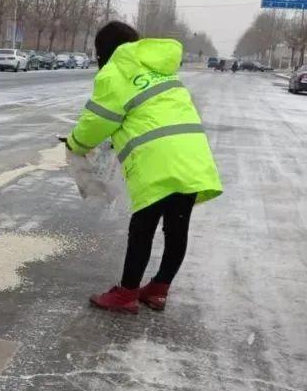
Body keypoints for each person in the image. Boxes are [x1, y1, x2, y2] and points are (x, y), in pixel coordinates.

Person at [65, 21, 223, 314]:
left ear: (103, 52)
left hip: (156, 161)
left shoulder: (117, 72)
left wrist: (75, 144)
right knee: (177, 227)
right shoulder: (161, 70)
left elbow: (97, 121)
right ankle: (159, 289)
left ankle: (126, 294)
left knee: (143, 228)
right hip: (192, 157)